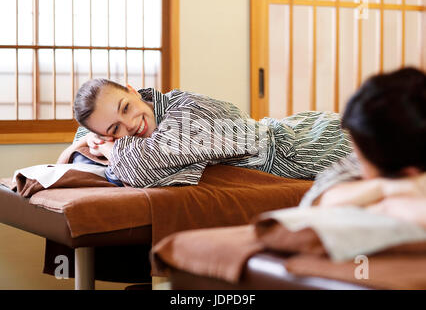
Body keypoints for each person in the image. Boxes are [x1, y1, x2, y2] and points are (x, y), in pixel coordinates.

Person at [57, 78, 353, 188]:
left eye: (126, 108)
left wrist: (108, 149)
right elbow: (81, 145)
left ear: (134, 91)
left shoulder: (189, 108)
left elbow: (138, 168)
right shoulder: (139, 139)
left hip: (313, 142)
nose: (130, 124)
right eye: (115, 130)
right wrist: (88, 139)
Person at [299, 67, 426, 227]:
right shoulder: (355, 165)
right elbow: (317, 202)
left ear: (409, 171)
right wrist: (387, 188)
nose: (356, 155)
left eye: (361, 157)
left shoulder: (382, 151)